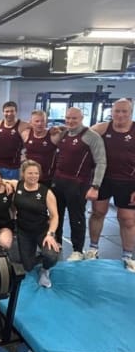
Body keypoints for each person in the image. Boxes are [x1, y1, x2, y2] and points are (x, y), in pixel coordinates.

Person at [52, 107, 106, 260]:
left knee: (76, 217)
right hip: (59, 181)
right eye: (68, 118)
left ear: (82, 118)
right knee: (56, 214)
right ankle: (56, 243)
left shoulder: (92, 136)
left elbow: (101, 162)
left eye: (74, 118)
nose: (70, 121)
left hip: (78, 183)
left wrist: (95, 186)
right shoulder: (64, 133)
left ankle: (77, 250)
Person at [88, 98, 135, 271]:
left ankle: (127, 256)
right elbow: (80, 133)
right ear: (112, 112)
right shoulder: (102, 128)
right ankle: (93, 248)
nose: (120, 115)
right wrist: (59, 131)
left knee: (127, 219)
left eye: (124, 111)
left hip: (129, 182)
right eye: (117, 111)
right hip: (104, 179)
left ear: (131, 112)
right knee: (98, 213)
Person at [9, 160, 60, 288]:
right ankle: (36, 255)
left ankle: (45, 269)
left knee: (51, 256)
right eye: (30, 173)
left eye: (36, 173)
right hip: (23, 231)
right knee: (28, 266)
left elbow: (54, 216)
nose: (33, 176)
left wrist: (50, 235)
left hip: (42, 231)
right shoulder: (17, 185)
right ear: (23, 174)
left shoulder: (46, 192)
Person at [21, 110, 60, 187]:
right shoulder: (25, 134)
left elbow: (70, 130)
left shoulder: (54, 135)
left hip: (47, 178)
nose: (40, 124)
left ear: (46, 122)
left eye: (42, 121)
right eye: (37, 121)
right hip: (29, 177)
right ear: (31, 122)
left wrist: (59, 127)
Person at [0, 101, 30, 179]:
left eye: (12, 111)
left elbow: (37, 127)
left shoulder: (23, 125)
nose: (9, 114)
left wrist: (54, 129)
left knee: (12, 186)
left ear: (16, 112)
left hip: (13, 166)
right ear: (3, 112)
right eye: (7, 111)